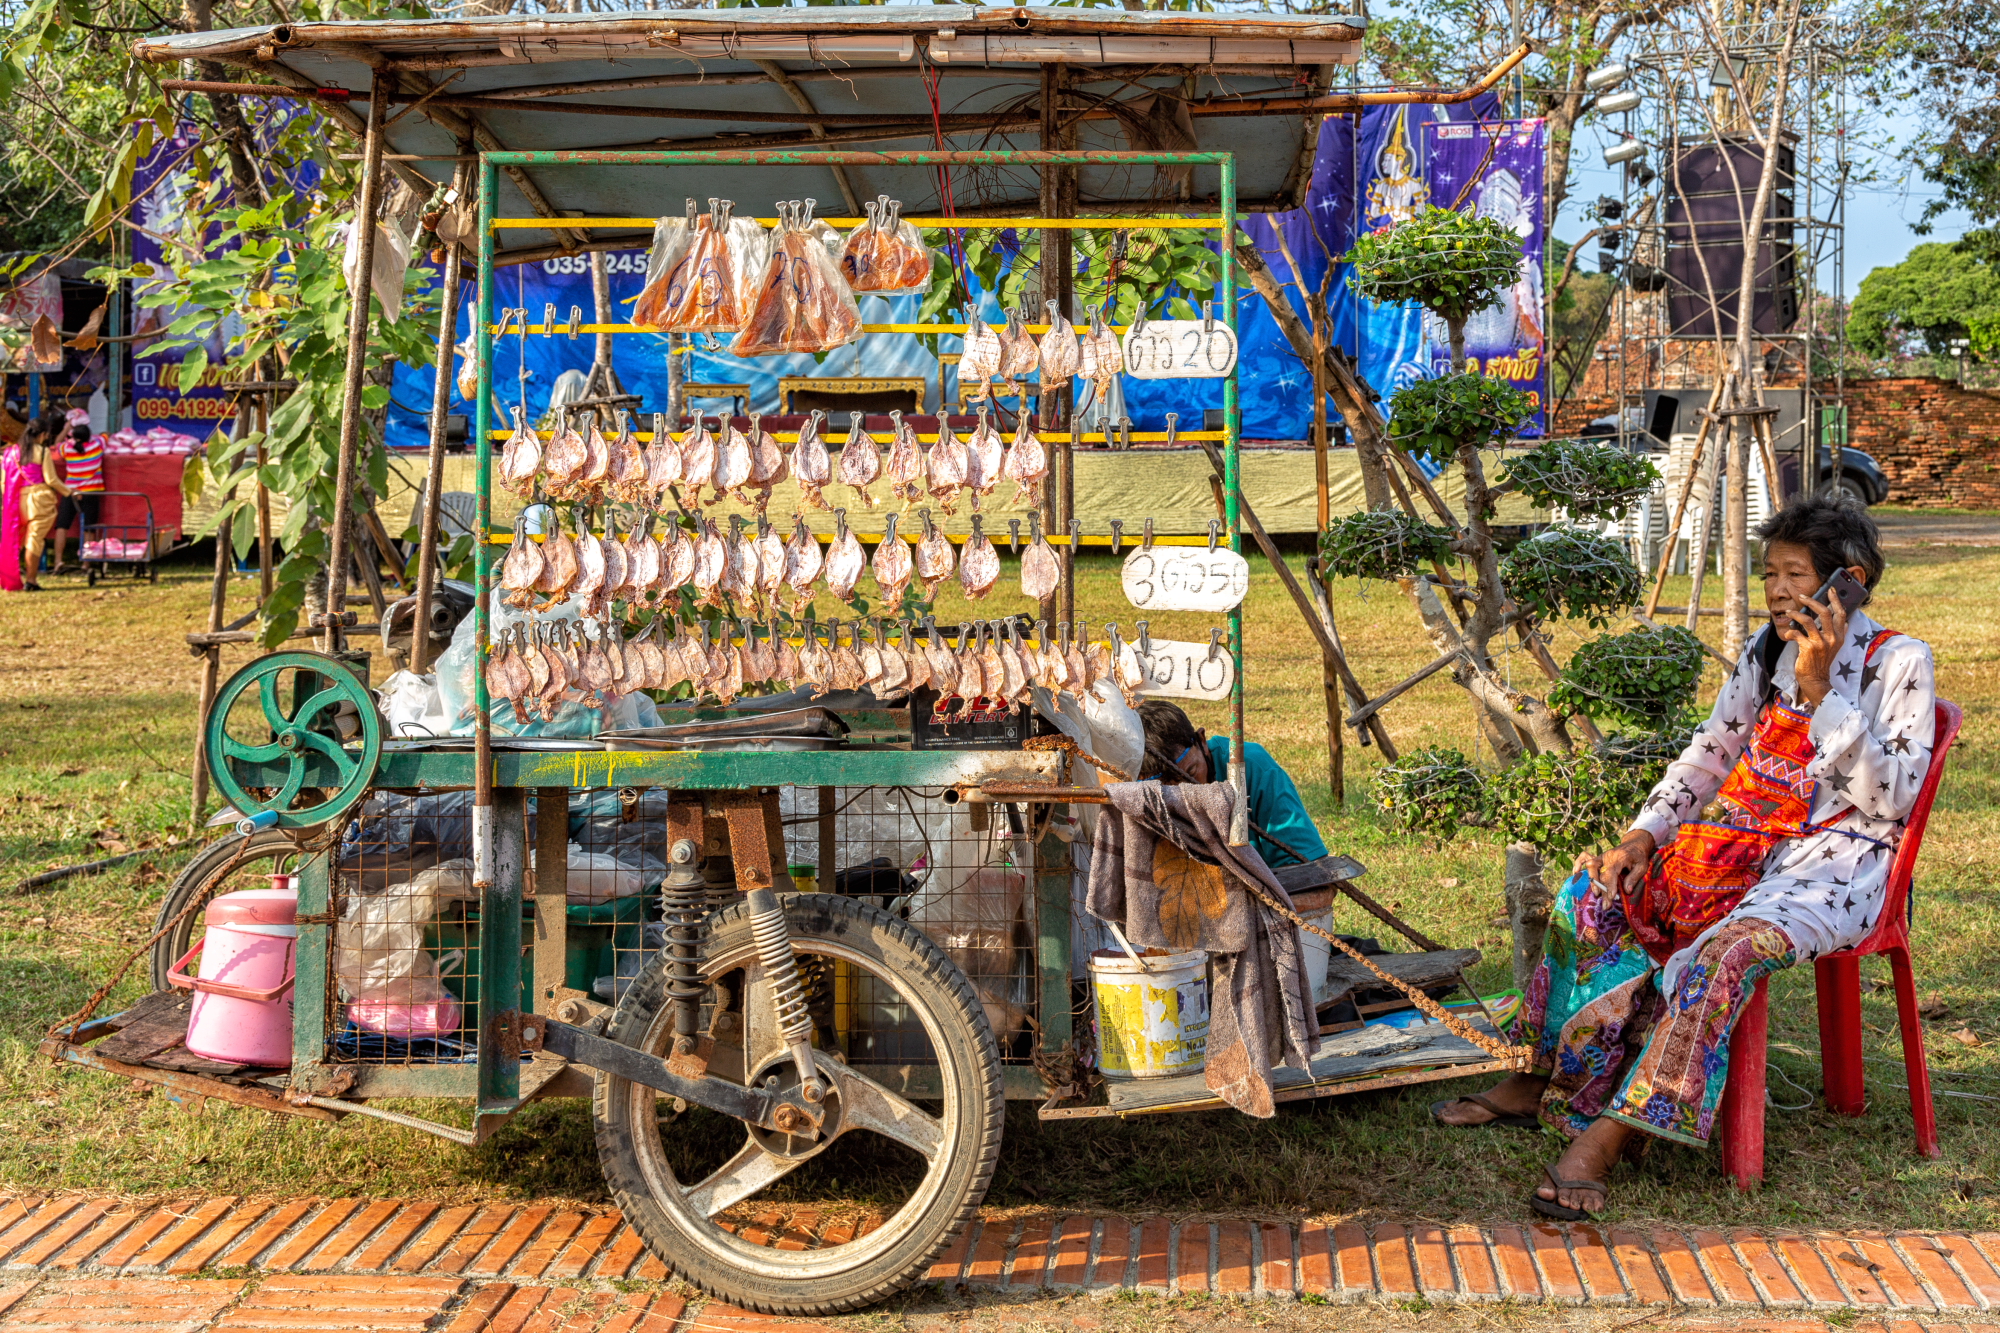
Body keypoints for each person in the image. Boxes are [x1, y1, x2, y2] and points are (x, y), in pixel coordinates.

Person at [1432, 495, 1937, 1221]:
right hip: (1735, 854)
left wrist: (1824, 691)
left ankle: (1611, 1135)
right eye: (1770, 574)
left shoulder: (1899, 664)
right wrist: (1644, 833)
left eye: (1797, 574)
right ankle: (1540, 1075)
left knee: (1723, 955)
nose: (1779, 590)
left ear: (1847, 582)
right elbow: (1710, 753)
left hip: (1831, 875)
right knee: (1597, 890)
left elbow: (1890, 798)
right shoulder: (1766, 652)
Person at [1136, 699, 1329, 868]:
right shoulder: (1135, 793)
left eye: (1191, 773)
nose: (1187, 792)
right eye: (1169, 788)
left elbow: (1306, 865)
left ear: (1201, 741)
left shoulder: (1253, 766)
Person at [14, 414, 70, 592]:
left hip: (17, 500)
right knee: (35, 540)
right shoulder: (43, 452)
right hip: (39, 500)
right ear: (44, 434)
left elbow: (4, 481)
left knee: (17, 540)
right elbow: (51, 479)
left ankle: (11, 577)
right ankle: (31, 581)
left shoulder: (13, 452)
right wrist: (70, 492)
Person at [51, 423, 103, 575]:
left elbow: (56, 444)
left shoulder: (67, 449)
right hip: (91, 492)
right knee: (89, 528)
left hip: (71, 492)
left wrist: (66, 428)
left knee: (62, 526)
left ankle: (58, 561)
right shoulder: (97, 446)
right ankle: (86, 564)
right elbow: (106, 435)